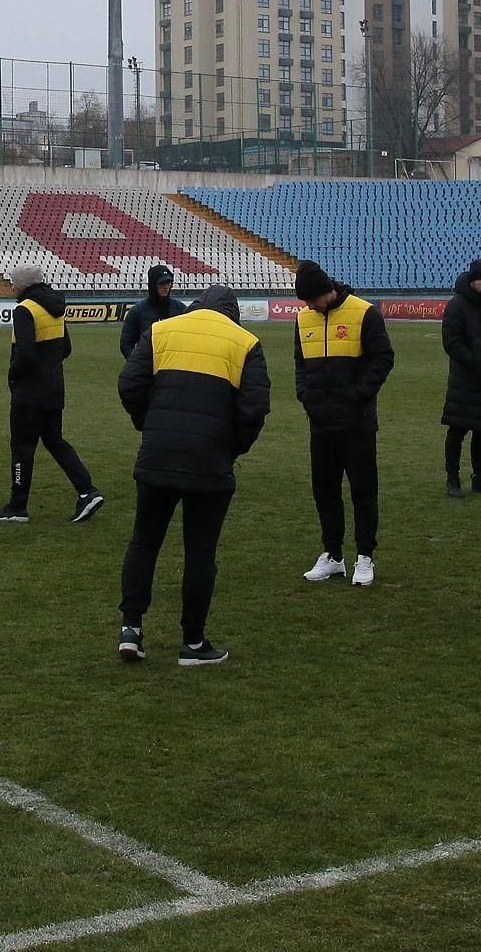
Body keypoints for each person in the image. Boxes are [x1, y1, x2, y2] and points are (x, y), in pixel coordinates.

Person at [116, 284, 269, 666]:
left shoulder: (164, 329)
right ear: (232, 313)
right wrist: (231, 448)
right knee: (200, 553)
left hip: (158, 454)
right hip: (210, 463)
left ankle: (131, 628)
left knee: (144, 542)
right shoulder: (246, 342)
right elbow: (254, 409)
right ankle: (193, 643)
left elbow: (129, 384)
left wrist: (149, 426)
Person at [291, 260, 395, 588]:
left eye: (310, 299)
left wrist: (359, 394)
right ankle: (333, 556)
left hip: (357, 422)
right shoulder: (303, 318)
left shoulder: (364, 313)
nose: (307, 306)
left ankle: (365, 556)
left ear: (325, 292)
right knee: (325, 491)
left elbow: (383, 357)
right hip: (320, 422)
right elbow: (300, 363)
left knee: (363, 491)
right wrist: (305, 394)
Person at [0, 265, 104, 524]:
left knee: (22, 447)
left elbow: (25, 354)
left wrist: (14, 376)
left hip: (29, 392)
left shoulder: (24, 310)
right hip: (54, 387)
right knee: (54, 440)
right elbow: (66, 348)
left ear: (21, 285)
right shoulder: (55, 308)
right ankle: (87, 490)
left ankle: (17, 506)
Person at [440, 258, 481, 500]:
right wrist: (475, 363)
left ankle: (480, 477)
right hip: (464, 381)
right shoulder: (456, 305)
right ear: (472, 280)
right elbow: (451, 342)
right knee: (457, 430)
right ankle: (452, 479)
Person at [119, 264, 185, 358]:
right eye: (161, 283)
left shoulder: (180, 309)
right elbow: (126, 344)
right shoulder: (138, 311)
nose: (166, 287)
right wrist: (137, 363)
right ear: (153, 284)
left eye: (168, 282)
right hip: (147, 366)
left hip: (173, 366)